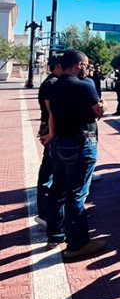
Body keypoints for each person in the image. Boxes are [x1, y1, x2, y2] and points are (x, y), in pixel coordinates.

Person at [41, 50, 106, 260]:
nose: (88, 68)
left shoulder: (53, 85)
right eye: (86, 65)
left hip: (59, 142)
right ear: (79, 65)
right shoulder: (84, 85)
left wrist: (51, 135)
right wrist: (103, 106)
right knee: (76, 193)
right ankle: (78, 243)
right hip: (80, 142)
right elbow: (98, 112)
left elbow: (51, 114)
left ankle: (55, 234)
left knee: (58, 189)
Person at [35, 55, 63, 227]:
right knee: (49, 170)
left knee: (52, 169)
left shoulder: (52, 82)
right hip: (52, 131)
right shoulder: (52, 83)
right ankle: (45, 212)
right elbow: (51, 111)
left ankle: (51, 211)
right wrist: (51, 132)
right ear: (57, 66)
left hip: (51, 130)